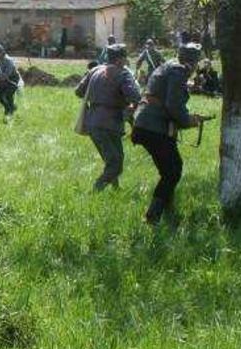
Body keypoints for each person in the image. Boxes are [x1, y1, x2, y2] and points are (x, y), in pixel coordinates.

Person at [131, 43, 207, 224]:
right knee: (173, 170)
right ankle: (152, 216)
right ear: (194, 61)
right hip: (153, 127)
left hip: (148, 124)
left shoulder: (169, 66)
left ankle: (168, 210)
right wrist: (189, 121)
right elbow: (172, 105)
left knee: (169, 169)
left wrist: (187, 117)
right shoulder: (178, 71)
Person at [74, 44, 141, 191]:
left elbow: (79, 91)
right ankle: (96, 189)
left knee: (112, 159)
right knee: (116, 163)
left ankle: (116, 189)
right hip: (111, 124)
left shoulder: (94, 70)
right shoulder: (123, 74)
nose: (125, 62)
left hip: (92, 122)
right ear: (120, 60)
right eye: (124, 59)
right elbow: (135, 96)